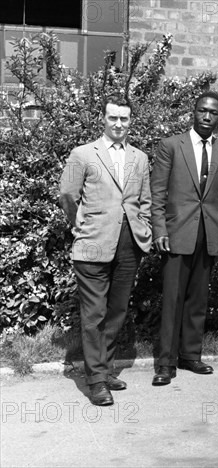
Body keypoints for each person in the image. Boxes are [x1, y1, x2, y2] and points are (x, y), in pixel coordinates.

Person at [59, 95, 152, 406]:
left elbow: (145, 202)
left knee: (117, 311)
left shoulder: (139, 157)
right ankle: (96, 379)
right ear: (103, 118)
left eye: (124, 119)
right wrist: (81, 226)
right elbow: (67, 195)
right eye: (113, 118)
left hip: (129, 244)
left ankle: (106, 367)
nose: (119, 124)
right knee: (94, 313)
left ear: (130, 121)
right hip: (93, 243)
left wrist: (145, 229)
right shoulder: (83, 154)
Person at [151, 91, 218, 385]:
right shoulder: (171, 146)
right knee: (173, 299)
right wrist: (159, 229)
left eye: (213, 112)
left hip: (209, 234)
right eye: (202, 111)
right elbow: (157, 193)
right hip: (177, 233)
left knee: (199, 299)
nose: (207, 116)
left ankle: (190, 355)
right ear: (193, 112)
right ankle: (165, 362)